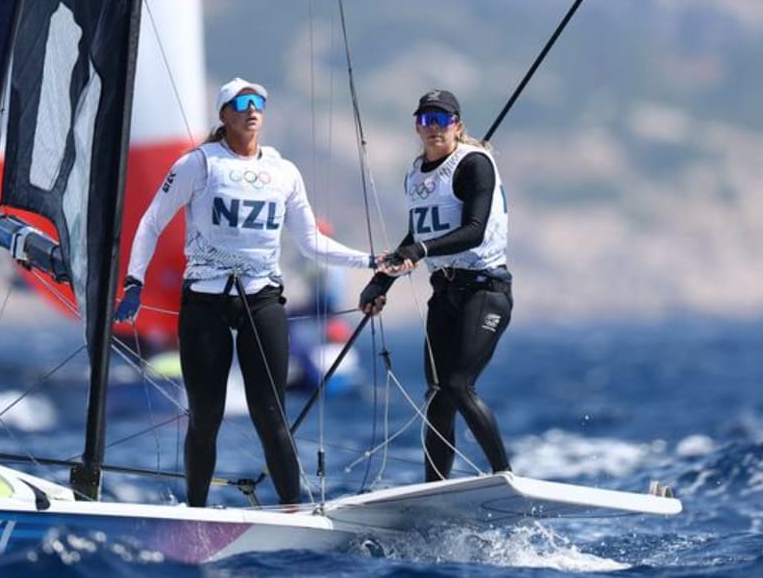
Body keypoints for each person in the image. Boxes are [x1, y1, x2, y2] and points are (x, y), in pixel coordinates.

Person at [115, 77, 376, 507]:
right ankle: (195, 511)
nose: (253, 109)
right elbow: (150, 222)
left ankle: (293, 510)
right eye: (242, 103)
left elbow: (311, 242)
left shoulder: (283, 171)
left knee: (271, 416)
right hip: (205, 302)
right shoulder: (198, 164)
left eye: (259, 102)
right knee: (205, 417)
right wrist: (134, 281)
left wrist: (370, 261)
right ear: (224, 115)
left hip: (263, 300)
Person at [359, 89, 513, 481]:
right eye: (425, 120)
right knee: (438, 395)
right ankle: (435, 489)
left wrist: (421, 249)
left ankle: (503, 476)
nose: (432, 128)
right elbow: (417, 233)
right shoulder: (416, 174)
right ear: (417, 126)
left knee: (459, 385)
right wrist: (380, 283)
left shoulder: (475, 164)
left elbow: (474, 231)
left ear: (457, 125)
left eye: (441, 120)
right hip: (443, 294)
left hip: (485, 290)